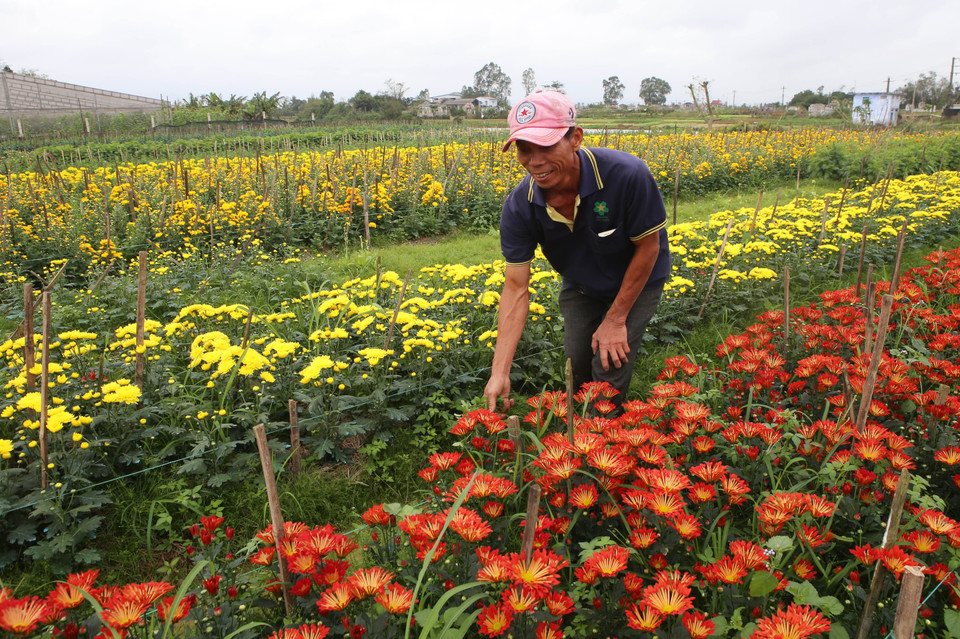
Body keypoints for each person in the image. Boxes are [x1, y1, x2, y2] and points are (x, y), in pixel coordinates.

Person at [483, 91, 671, 413]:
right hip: (581, 284)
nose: (535, 161)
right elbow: (516, 287)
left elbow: (648, 246)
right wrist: (499, 371)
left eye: (545, 146)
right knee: (578, 366)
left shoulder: (627, 175)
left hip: (638, 279)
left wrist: (615, 319)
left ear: (576, 138)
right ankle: (581, 437)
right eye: (524, 149)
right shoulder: (520, 206)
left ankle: (605, 443)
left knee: (607, 370)